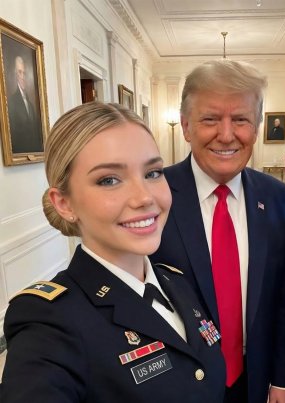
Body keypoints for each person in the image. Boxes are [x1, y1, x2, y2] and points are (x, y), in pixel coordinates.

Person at [1, 102, 225, 402]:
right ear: (64, 203)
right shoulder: (50, 320)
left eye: (153, 173)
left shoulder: (175, 281)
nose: (144, 197)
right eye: (109, 180)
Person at [150, 59, 285, 403]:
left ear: (257, 128)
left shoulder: (278, 198)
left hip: (255, 379)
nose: (227, 134)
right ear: (186, 126)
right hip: (179, 384)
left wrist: (281, 379)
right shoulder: (154, 196)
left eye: (241, 119)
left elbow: (283, 301)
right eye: (210, 119)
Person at [7, 55, 43, 153]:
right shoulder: (11, 102)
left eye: (24, 73)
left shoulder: (31, 106)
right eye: (19, 72)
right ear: (15, 75)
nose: (22, 77)